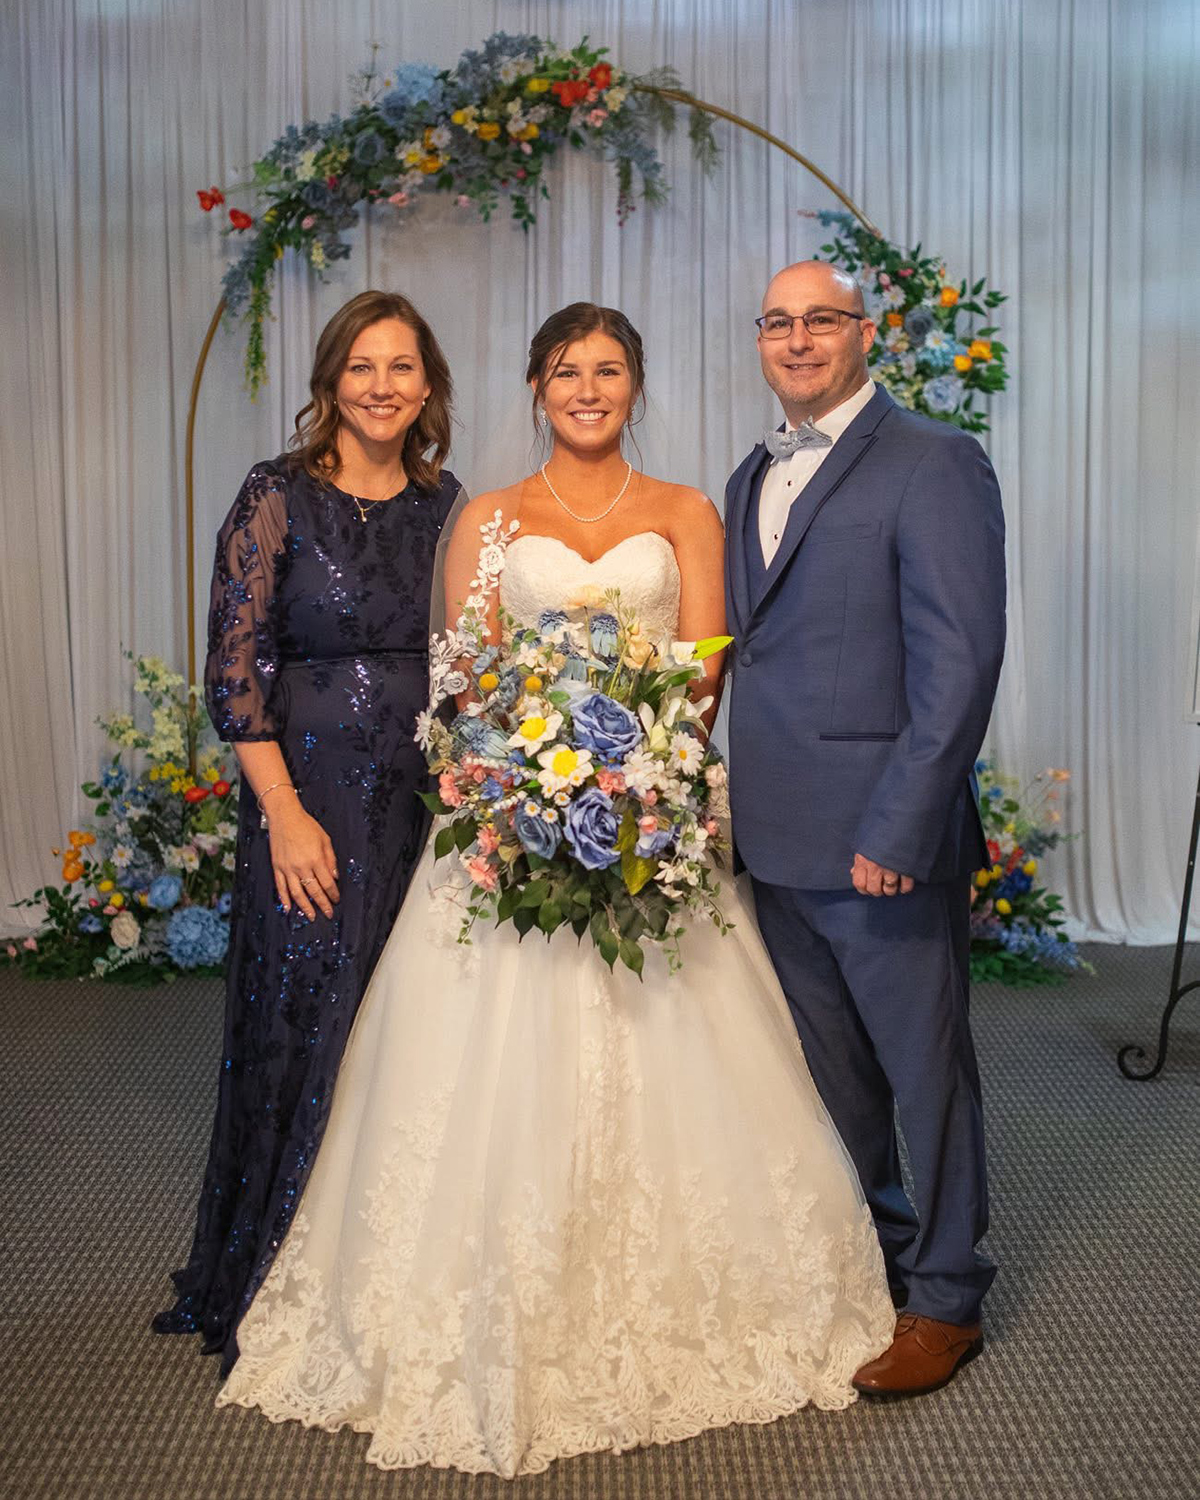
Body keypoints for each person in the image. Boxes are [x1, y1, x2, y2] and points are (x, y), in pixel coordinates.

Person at [214, 303, 894, 1478]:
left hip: (646, 820)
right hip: (511, 822)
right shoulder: (484, 517)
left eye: (609, 370)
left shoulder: (686, 511)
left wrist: (638, 784)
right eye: (567, 370)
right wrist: (528, 783)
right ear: (535, 386)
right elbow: (468, 678)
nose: (588, 389)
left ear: (635, 386)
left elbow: (702, 677)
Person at [152, 291, 464, 1373]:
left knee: (402, 1030)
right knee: (304, 1018)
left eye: (402, 367)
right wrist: (284, 815)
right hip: (310, 803)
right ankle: (278, 1276)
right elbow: (233, 671)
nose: (382, 386)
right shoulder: (276, 495)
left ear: (428, 387)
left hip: (422, 806)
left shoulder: (447, 504)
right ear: (331, 380)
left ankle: (378, 1281)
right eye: (361, 366)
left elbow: (469, 656)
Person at [724, 261, 1006, 1398]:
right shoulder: (751, 471)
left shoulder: (935, 461)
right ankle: (877, 1264)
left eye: (821, 320)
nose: (798, 340)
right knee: (832, 1078)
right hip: (775, 834)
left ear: (864, 334)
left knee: (924, 1074)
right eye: (778, 322)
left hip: (880, 840)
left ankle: (947, 1296)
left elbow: (960, 665)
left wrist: (901, 828)